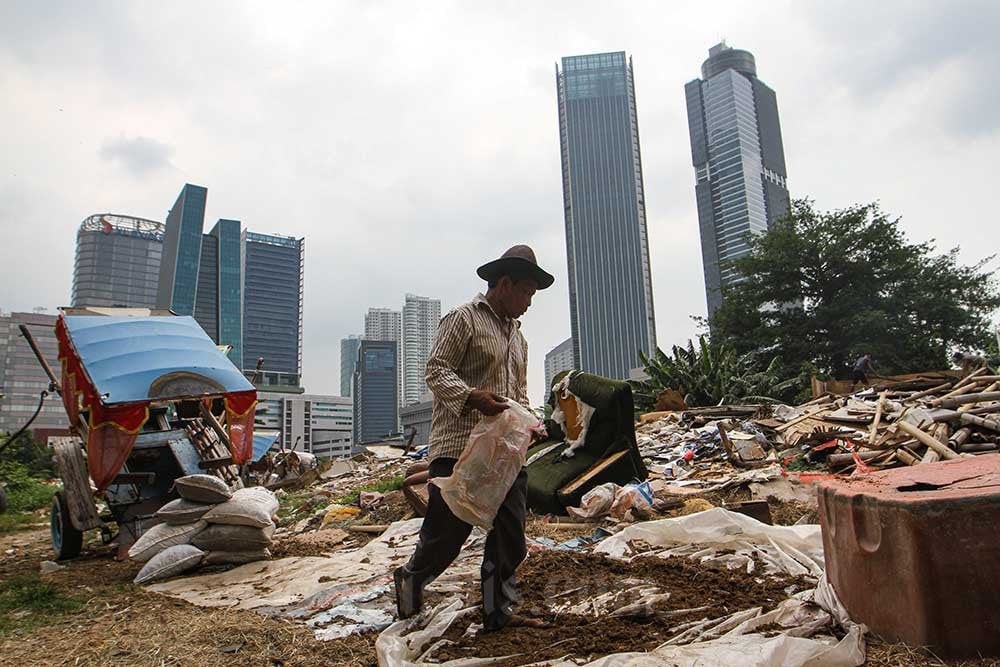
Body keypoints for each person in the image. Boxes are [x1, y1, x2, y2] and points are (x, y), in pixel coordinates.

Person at [394, 244, 553, 632]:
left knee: (511, 534)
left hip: (503, 452)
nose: (530, 302)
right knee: (446, 536)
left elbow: (518, 393)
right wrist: (472, 398)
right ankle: (411, 579)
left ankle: (498, 613)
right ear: (503, 283)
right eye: (527, 291)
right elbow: (436, 370)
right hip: (460, 447)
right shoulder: (463, 319)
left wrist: (530, 424)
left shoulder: (520, 338)